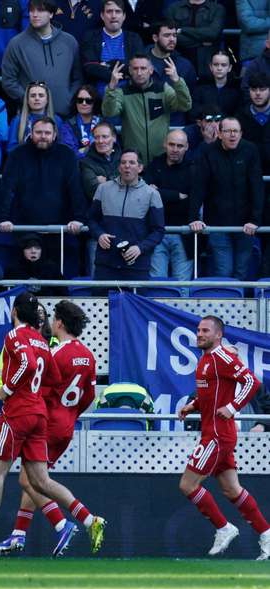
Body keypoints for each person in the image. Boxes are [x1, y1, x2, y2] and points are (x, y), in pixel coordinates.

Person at [0, 292, 106, 560]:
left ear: (14, 312)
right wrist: (69, 412)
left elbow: (28, 364)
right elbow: (71, 386)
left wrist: (7, 389)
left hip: (22, 413)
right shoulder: (51, 345)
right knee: (37, 480)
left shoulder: (18, 336)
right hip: (49, 419)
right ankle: (79, 521)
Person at [0, 300, 97, 555]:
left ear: (58, 322)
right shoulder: (89, 355)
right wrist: (70, 414)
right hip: (67, 425)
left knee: (32, 480)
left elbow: (43, 388)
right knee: (34, 479)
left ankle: (75, 522)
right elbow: (89, 395)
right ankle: (18, 534)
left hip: (45, 421)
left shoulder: (55, 352)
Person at [177, 316, 270, 560]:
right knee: (232, 490)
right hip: (217, 432)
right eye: (198, 330)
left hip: (217, 435)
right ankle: (267, 534)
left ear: (218, 335)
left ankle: (223, 527)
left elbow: (252, 381)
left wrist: (233, 407)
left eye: (205, 330)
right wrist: (193, 405)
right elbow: (210, 394)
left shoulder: (221, 357)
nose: (199, 334)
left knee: (188, 485)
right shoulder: (207, 359)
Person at [0, 118, 86, 273]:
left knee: (53, 275)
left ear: (55, 135)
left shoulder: (67, 155)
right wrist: (2, 218)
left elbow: (75, 189)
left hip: (58, 229)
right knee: (23, 275)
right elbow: (7, 188)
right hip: (24, 227)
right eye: (39, 132)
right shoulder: (17, 154)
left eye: (47, 133)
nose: (43, 136)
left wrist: (79, 218)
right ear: (31, 133)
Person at [190, 117, 264, 280]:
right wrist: (194, 218)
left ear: (241, 133)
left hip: (246, 225)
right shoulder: (208, 152)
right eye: (228, 131)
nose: (232, 135)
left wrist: (255, 220)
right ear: (219, 134)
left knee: (241, 271)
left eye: (235, 131)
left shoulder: (250, 150)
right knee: (223, 270)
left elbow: (257, 187)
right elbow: (198, 187)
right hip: (218, 224)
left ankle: (239, 304)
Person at [89, 149, 165, 282]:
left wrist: (140, 248)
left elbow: (158, 231)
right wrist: (99, 234)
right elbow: (91, 219)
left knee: (134, 303)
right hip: (106, 264)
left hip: (136, 264)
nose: (127, 166)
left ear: (140, 167)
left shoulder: (151, 194)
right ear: (119, 167)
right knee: (102, 302)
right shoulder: (103, 189)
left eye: (132, 162)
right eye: (123, 162)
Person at [102, 54, 192, 166]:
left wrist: (177, 81)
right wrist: (111, 88)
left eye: (143, 68)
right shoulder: (122, 92)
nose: (139, 73)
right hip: (134, 162)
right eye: (135, 68)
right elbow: (109, 112)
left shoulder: (163, 89)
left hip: (161, 160)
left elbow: (185, 106)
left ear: (151, 70)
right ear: (130, 70)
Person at [1, 0, 83, 117]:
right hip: (31, 117)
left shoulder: (69, 42)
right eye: (31, 10)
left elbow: (78, 78)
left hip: (64, 115)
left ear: (51, 14)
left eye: (40, 10)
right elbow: (8, 81)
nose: (34, 14)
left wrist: (69, 99)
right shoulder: (16, 44)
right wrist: (29, 98)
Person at [146, 130, 195, 284]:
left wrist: (159, 192)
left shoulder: (194, 168)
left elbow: (192, 199)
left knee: (182, 287)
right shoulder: (155, 164)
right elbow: (147, 194)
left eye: (179, 146)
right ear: (164, 144)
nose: (175, 149)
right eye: (171, 144)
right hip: (157, 232)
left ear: (186, 147)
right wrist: (177, 196)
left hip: (184, 234)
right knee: (157, 286)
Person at [80, 0, 144, 93]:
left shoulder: (134, 39)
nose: (113, 16)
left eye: (118, 12)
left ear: (124, 16)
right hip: (96, 97)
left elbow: (137, 67)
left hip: (128, 95)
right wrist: (121, 72)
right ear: (102, 15)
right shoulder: (90, 37)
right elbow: (89, 67)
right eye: (109, 11)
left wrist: (106, 65)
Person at [166, 0, 225, 79]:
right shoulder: (174, 8)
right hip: (179, 61)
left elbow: (213, 33)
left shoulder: (217, 9)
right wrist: (201, 42)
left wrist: (183, 30)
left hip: (206, 63)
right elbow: (172, 37)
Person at [7, 82, 64, 153]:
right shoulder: (18, 120)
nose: (37, 98)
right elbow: (11, 149)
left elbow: (62, 147)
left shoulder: (57, 120)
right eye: (33, 96)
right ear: (27, 100)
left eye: (41, 95)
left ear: (47, 100)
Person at [191, 50, 241, 122]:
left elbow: (238, 114)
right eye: (216, 64)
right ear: (211, 67)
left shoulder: (237, 89)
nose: (219, 68)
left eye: (223, 65)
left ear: (229, 68)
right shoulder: (200, 87)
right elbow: (194, 111)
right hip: (205, 127)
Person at [237, 70, 270, 174]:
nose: (258, 93)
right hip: (248, 173)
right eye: (254, 89)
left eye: (262, 89)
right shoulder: (239, 117)